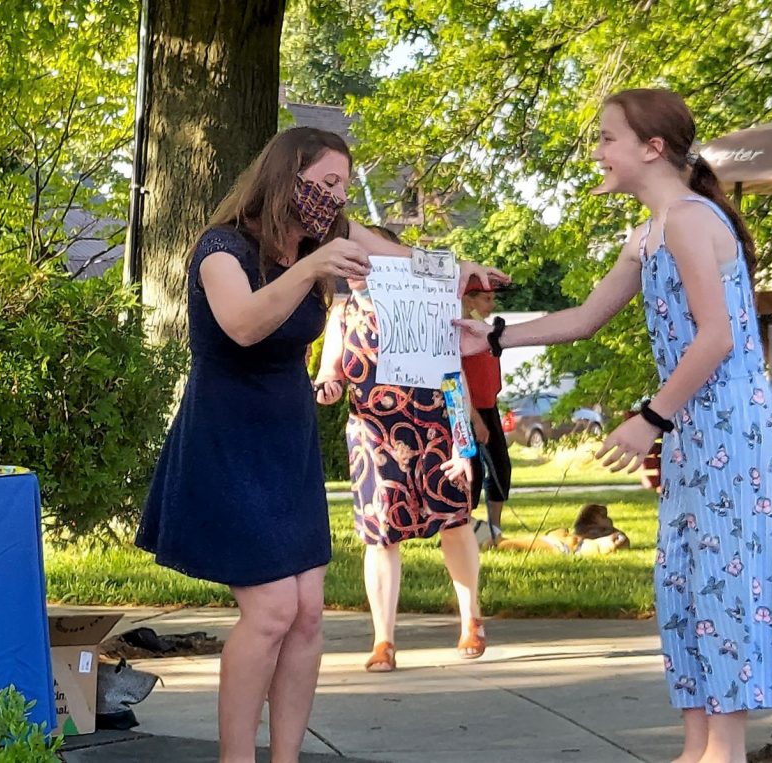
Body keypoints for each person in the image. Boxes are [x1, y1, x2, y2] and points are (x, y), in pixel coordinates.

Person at [136, 127, 503, 762]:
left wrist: (455, 270)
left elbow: (397, 257)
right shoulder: (222, 248)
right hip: (227, 443)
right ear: (286, 175)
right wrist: (311, 266)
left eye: (342, 185)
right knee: (273, 610)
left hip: (289, 443)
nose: (334, 196)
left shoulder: (326, 236)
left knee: (308, 614)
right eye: (325, 181)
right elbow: (243, 325)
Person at [456, 89, 772, 763]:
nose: (598, 153)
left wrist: (650, 418)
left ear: (652, 148)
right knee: (684, 582)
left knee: (724, 582)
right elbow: (585, 318)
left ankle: (724, 751)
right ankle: (695, 747)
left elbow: (718, 336)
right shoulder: (649, 233)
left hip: (728, 425)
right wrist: (492, 335)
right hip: (695, 425)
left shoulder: (690, 220)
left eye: (608, 139)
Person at [314, 225, 488, 674]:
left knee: (455, 522)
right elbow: (330, 371)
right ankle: (383, 639)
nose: (357, 270)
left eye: (366, 260)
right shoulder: (343, 313)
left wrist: (464, 442)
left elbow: (454, 376)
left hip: (434, 429)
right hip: (373, 436)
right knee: (380, 534)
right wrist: (328, 385)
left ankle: (471, 618)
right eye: (350, 261)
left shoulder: (429, 304)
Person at [461, 278, 512, 540]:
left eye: (493, 299)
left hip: (489, 407)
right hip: (467, 410)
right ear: (468, 299)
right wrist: (475, 419)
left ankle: (495, 529)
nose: (492, 305)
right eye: (486, 299)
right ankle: (463, 527)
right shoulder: (461, 331)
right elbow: (458, 380)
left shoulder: (487, 331)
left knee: (501, 467)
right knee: (472, 471)